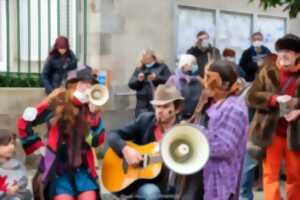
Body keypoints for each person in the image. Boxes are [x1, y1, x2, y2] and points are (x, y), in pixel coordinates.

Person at [18, 66, 106, 200]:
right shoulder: (57, 103)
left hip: (81, 169)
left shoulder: (91, 108)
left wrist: (93, 117)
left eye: (90, 85)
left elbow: (95, 141)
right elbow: (24, 122)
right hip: (57, 169)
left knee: (89, 197)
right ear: (72, 86)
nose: (87, 88)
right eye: (83, 84)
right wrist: (38, 147)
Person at [108, 84, 204, 200]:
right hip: (141, 184)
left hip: (170, 185)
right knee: (152, 193)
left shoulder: (182, 131)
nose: (160, 111)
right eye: (158, 107)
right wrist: (126, 150)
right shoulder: (145, 120)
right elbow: (113, 135)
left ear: (177, 108)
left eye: (165, 106)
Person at [246, 34, 300, 200]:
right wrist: (274, 99)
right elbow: (251, 97)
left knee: (295, 176)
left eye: (288, 51)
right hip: (270, 132)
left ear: (297, 54)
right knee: (270, 176)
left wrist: (298, 111)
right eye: (281, 50)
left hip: (295, 133)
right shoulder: (267, 70)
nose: (283, 54)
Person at [195, 60, 249, 200]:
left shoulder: (233, 108)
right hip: (209, 174)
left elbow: (225, 147)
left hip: (223, 180)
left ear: (225, 85)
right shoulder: (214, 103)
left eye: (209, 79)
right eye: (205, 77)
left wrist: (196, 133)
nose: (205, 83)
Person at [128, 49, 171, 117]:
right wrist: (139, 80)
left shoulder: (162, 67)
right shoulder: (139, 68)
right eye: (144, 59)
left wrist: (156, 78)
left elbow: (170, 80)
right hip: (142, 104)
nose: (145, 61)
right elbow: (130, 84)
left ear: (153, 57)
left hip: (158, 101)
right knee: (142, 123)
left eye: (147, 58)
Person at [166, 54, 203, 119]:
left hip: (195, 116)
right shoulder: (173, 79)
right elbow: (166, 97)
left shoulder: (198, 78)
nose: (196, 65)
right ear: (185, 64)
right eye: (193, 63)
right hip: (178, 116)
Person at [0, 129, 31, 200]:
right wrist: (4, 189)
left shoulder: (17, 164)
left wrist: (17, 187)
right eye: (6, 144)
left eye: (12, 143)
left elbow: (23, 179)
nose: (11, 147)